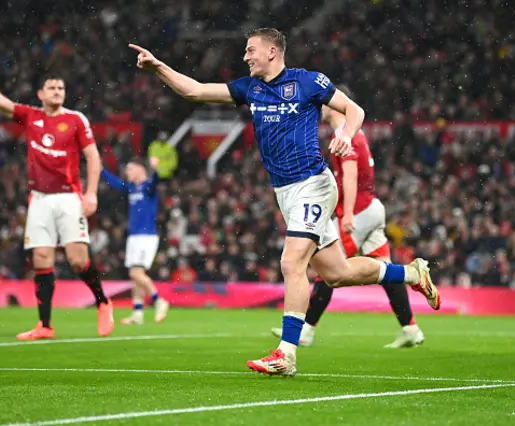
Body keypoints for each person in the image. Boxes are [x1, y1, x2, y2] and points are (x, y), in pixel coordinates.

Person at [128, 28, 441, 377]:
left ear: (273, 51)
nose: (245, 57)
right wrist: (159, 67)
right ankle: (411, 273)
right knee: (337, 274)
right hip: (286, 193)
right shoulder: (251, 89)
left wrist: (343, 133)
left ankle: (286, 354)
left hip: (314, 185)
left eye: (251, 50)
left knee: (292, 263)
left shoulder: (307, 82)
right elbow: (196, 90)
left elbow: (355, 110)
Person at [0, 51, 114, 340]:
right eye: (52, 88)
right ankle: (45, 326)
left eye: (61, 88)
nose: (57, 92)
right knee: (41, 258)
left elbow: (93, 156)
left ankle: (103, 302)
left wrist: (91, 194)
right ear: (40, 94)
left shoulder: (76, 119)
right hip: (39, 198)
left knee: (78, 261)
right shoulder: (31, 116)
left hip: (68, 197)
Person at [271, 85, 425, 349]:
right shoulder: (354, 132)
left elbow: (350, 174)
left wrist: (348, 214)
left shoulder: (346, 134)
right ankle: (411, 328)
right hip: (372, 207)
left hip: (360, 211)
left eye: (323, 103)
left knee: (331, 268)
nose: (320, 107)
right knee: (386, 270)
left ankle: (306, 329)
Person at [101, 157, 170, 324]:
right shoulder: (132, 188)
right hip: (134, 237)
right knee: (136, 276)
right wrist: (100, 169)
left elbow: (155, 181)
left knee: (135, 273)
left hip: (146, 237)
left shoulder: (148, 187)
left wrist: (155, 169)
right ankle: (137, 313)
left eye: (130, 169)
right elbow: (115, 183)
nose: (127, 173)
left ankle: (159, 300)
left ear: (140, 169)